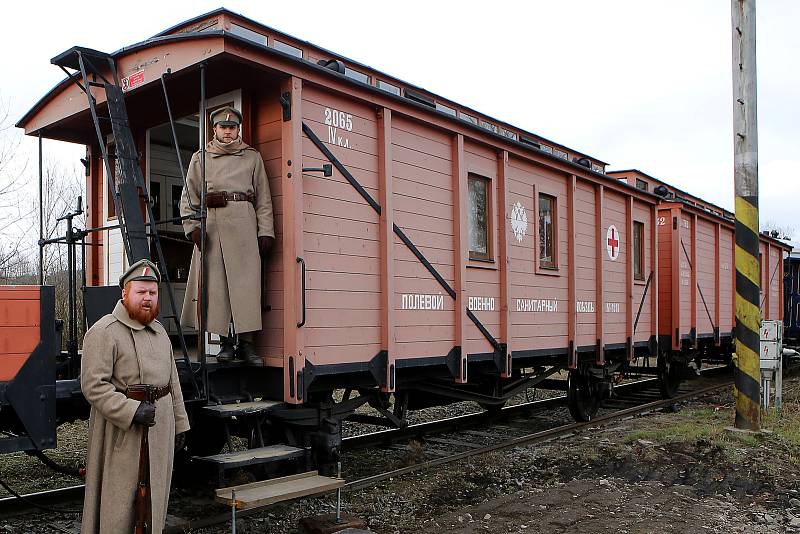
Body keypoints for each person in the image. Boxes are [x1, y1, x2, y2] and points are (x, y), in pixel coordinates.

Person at [80, 258, 190, 534]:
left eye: (152, 293)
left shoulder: (161, 332)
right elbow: (93, 385)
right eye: (141, 292)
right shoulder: (105, 332)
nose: (147, 299)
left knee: (155, 496)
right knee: (120, 501)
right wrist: (130, 411)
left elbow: (172, 382)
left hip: (159, 427)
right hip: (122, 432)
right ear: (125, 293)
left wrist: (180, 423)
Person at [180, 105, 275, 365]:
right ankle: (223, 344)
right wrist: (193, 228)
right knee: (217, 287)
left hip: (245, 225)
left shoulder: (252, 157)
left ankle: (246, 344)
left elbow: (264, 199)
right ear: (215, 129)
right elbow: (189, 198)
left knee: (246, 287)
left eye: (232, 127)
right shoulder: (201, 158)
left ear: (238, 129)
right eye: (223, 127)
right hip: (214, 226)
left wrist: (265, 231)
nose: (228, 132)